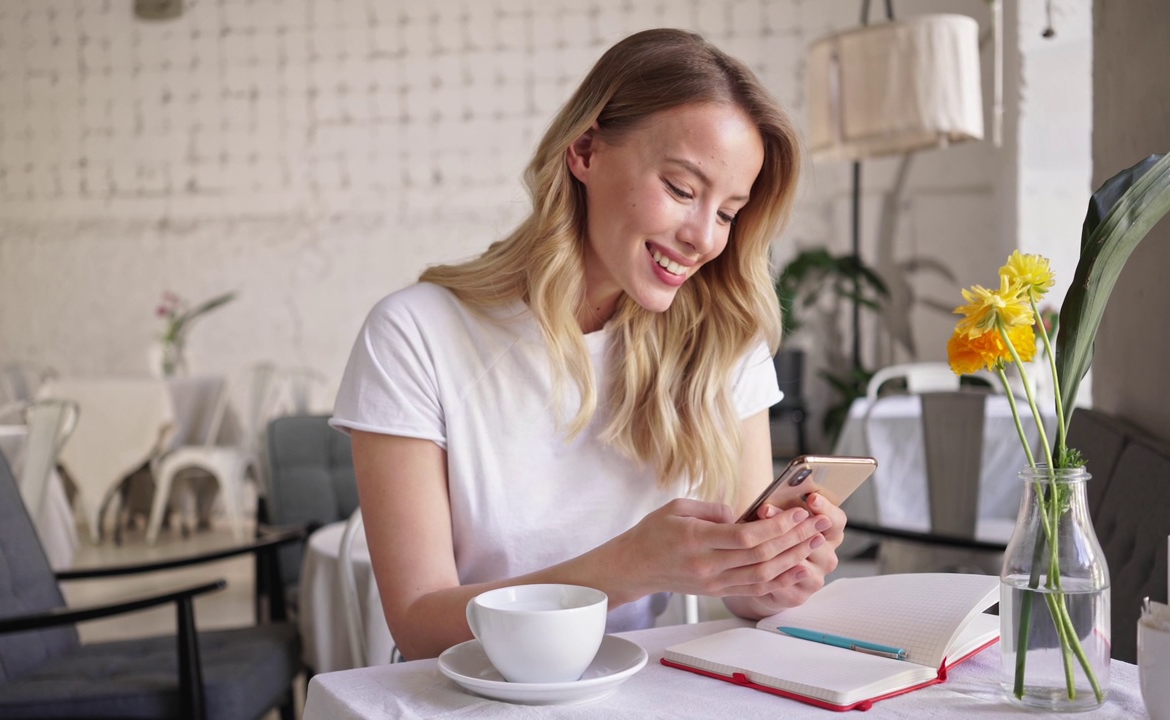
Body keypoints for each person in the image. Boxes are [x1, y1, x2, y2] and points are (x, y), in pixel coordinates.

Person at [332, 28, 846, 661]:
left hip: (644, 692)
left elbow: (742, 592)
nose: (704, 239)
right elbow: (418, 624)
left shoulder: (722, 339)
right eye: (684, 190)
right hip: (464, 696)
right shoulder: (416, 336)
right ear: (584, 150)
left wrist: (774, 570)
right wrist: (630, 566)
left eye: (727, 212)